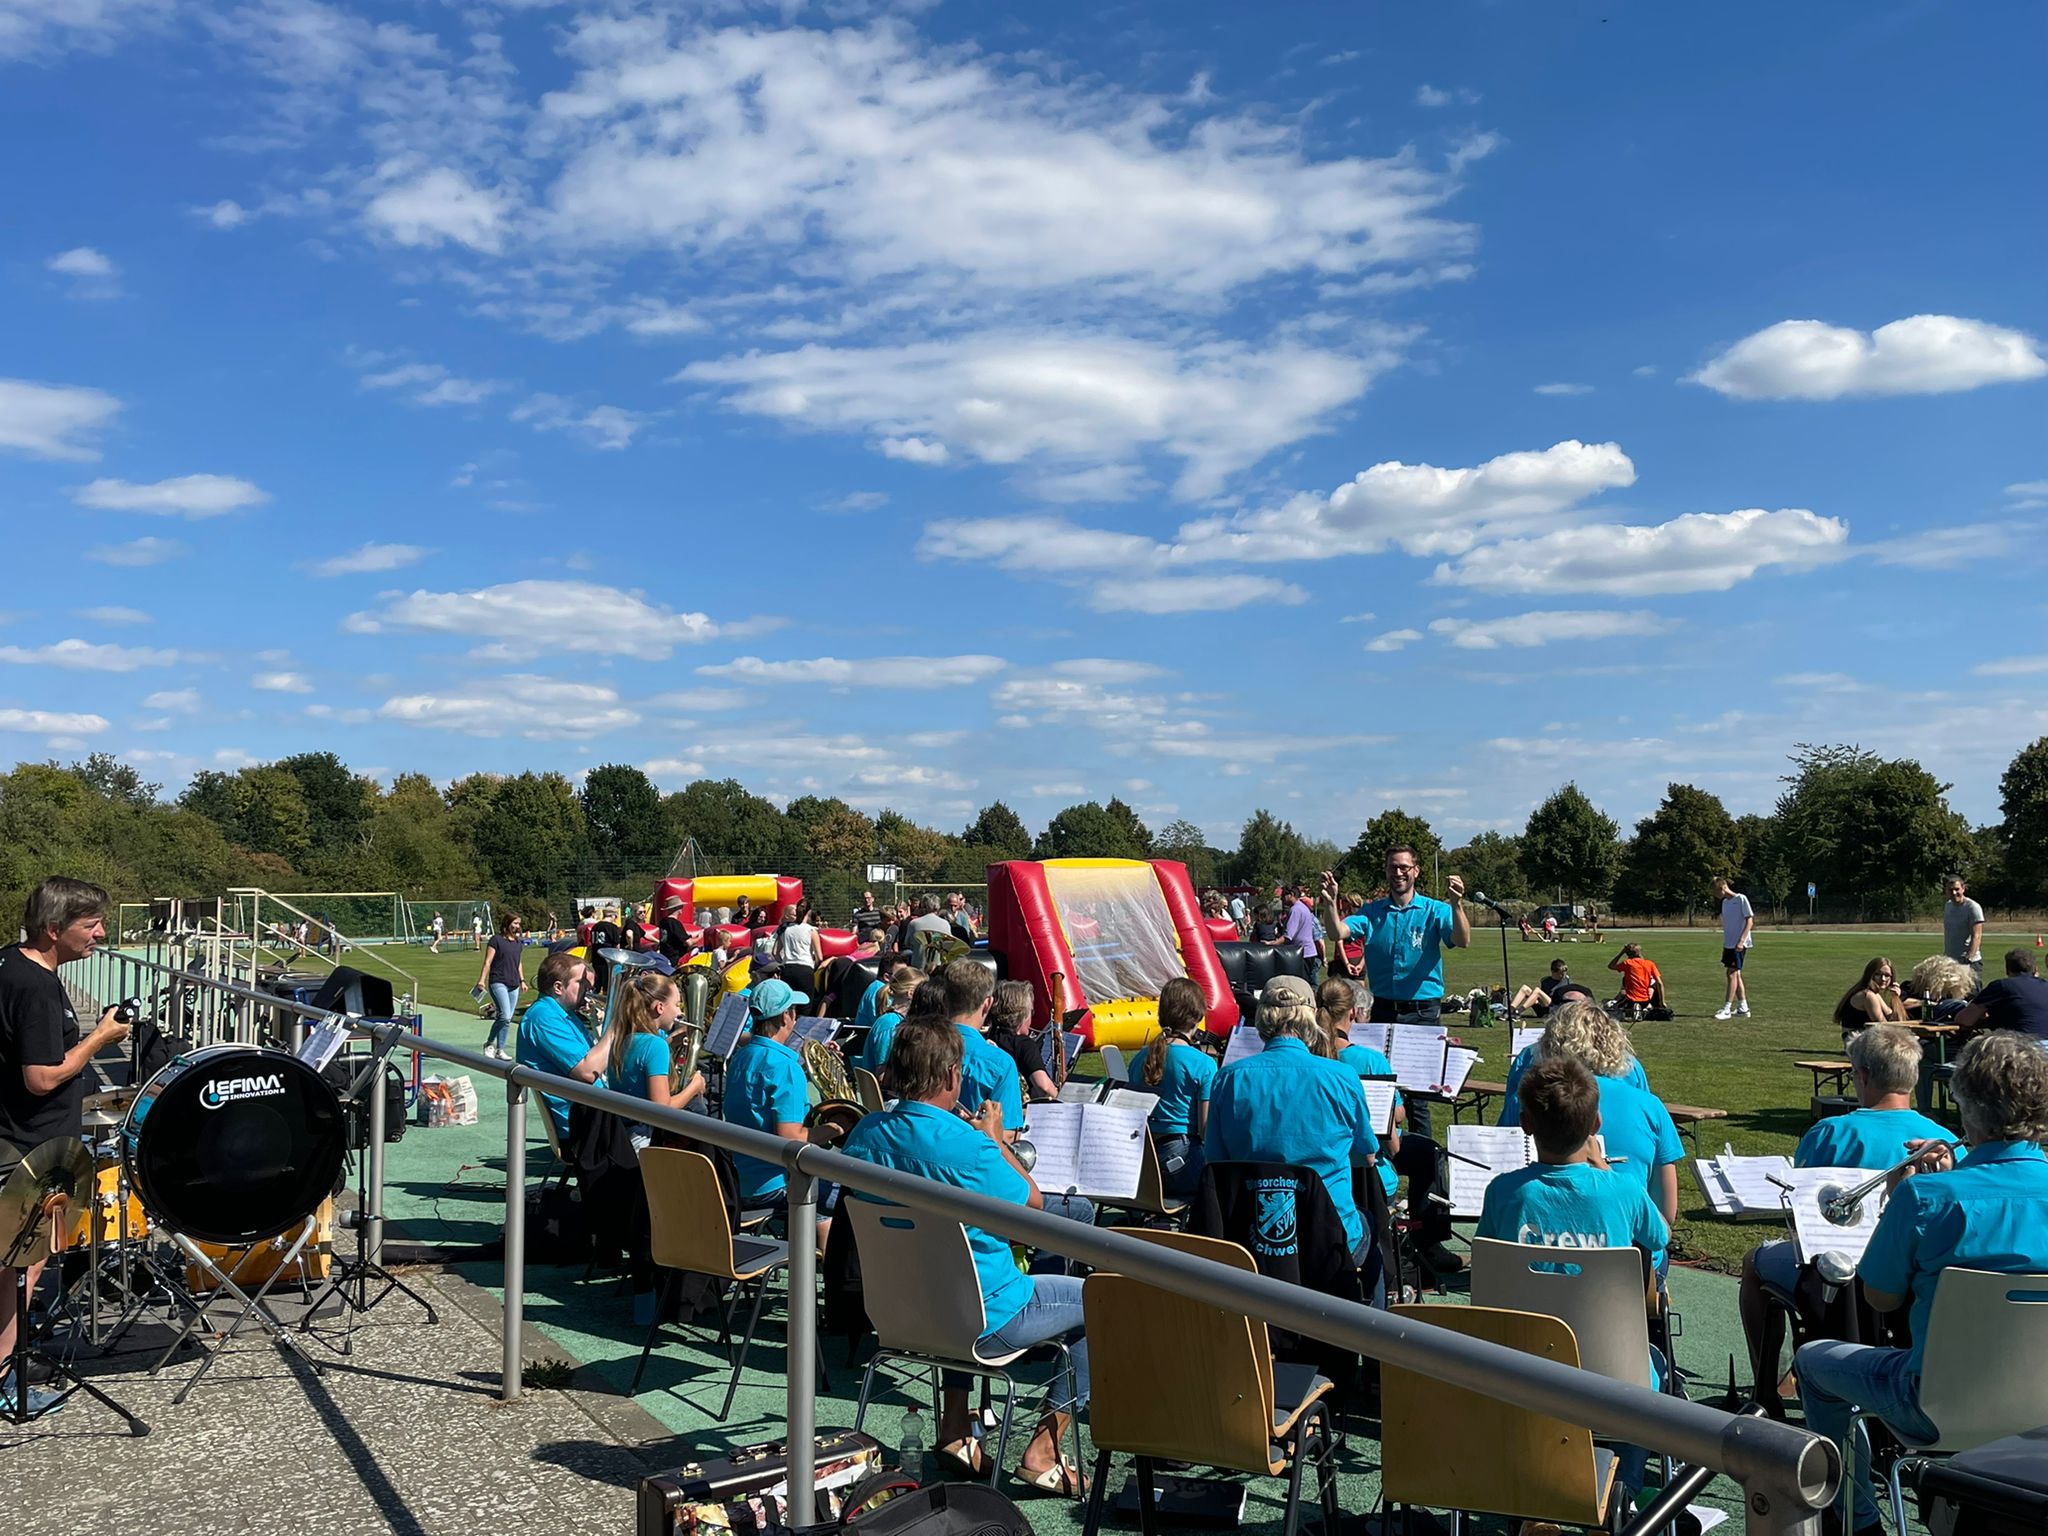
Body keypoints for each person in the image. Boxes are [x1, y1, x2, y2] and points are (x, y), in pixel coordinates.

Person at [1795, 1031, 2048, 1536]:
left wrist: (1901, 1201)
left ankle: (1856, 1518)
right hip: (2040, 1408)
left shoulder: (1926, 1197)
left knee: (1813, 1361)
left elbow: (1880, 1297)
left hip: (1934, 1405)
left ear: (1966, 1104)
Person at [842, 1019, 1089, 1493]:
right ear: (952, 1075)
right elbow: (1033, 1204)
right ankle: (1044, 1452)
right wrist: (994, 1140)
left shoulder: (864, 1135)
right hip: (983, 1317)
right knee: (1102, 1302)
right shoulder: (971, 1148)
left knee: (953, 1281)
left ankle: (955, 1427)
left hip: (904, 1314)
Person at [1477, 1055, 1668, 1492]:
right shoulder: (1623, 1190)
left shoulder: (1504, 1193)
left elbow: (1487, 1267)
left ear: (1525, 1123)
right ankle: (1619, 1492)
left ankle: (1537, 1491)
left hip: (1524, 1372)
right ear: (1596, 1123)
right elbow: (1660, 1234)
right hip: (1613, 1377)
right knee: (1654, 1365)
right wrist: (1605, 1170)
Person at [1738, 1025, 1949, 1416]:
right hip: (1917, 1276)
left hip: (1841, 1273)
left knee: (1754, 1263)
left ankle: (1765, 1390)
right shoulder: (1943, 1140)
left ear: (1862, 1076)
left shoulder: (1831, 1132)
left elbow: (1806, 1213)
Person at [0, 878, 132, 1414]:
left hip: (18, 1134)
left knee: (15, 1261)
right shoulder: (35, 986)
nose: (100, 933)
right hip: (29, 1143)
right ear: (54, 930)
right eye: (91, 925)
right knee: (22, 1263)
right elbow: (41, 1077)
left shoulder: (9, 961)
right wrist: (100, 1038)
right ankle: (6, 1378)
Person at [1206, 974, 1382, 1272]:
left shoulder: (1228, 1078)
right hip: (1329, 1233)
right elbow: (1366, 1155)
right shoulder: (1341, 1076)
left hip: (1249, 1234)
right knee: (1373, 1238)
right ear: (1310, 1018)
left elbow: (1215, 1161)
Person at [1500, 1002, 1678, 1271]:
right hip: (1622, 1277)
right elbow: (1665, 1216)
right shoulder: (1650, 1107)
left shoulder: (1527, 1102)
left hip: (1531, 1271)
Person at [1316, 977, 1461, 1275]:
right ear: (1353, 1013)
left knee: (1424, 1150)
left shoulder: (1310, 1053)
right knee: (1430, 1153)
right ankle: (1428, 1245)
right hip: (1369, 1159)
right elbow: (1395, 1116)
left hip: (1329, 1153)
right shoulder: (1370, 1059)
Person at [1320, 851, 1470, 1138]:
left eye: (1404, 867)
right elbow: (1337, 932)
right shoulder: (1372, 912)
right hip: (1383, 1010)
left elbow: (1462, 940)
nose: (1398, 873)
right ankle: (1384, 1153)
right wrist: (1329, 903)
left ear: (1416, 871)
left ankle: (1422, 1159)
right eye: (1392, 867)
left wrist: (1457, 904)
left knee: (1419, 1096)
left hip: (1423, 1011)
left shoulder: (1434, 910)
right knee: (1380, 1088)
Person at [722, 978, 836, 1240]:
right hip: (776, 1185)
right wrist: (833, 1129)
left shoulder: (740, 1057)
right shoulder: (785, 1067)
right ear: (785, 1016)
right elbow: (790, 1138)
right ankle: (825, 1259)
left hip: (740, 1180)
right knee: (842, 1193)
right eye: (793, 1011)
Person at [1130, 977, 1216, 1199]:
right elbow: (1206, 1130)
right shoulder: (1203, 1064)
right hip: (1182, 1161)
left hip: (1142, 1168)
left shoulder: (1139, 1058)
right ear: (1198, 1016)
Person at [606, 971, 707, 1150]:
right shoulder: (655, 1045)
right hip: (644, 1141)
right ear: (660, 1007)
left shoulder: (624, 1039)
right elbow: (661, 1109)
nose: (680, 1012)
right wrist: (694, 1087)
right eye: (677, 1005)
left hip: (621, 1136)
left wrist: (669, 1043)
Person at [515, 951, 607, 1143]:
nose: (589, 991)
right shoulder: (544, 1017)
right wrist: (616, 1028)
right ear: (558, 987)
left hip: (596, 1112)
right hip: (585, 1125)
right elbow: (587, 1073)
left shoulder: (565, 1014)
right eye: (582, 984)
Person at [986, 979, 1059, 1102]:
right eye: (1031, 1012)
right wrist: (1059, 1097)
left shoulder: (988, 1037)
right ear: (1022, 1015)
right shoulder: (1024, 1044)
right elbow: (1044, 1087)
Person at [1955, 948, 2048, 1040]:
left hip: (2018, 1045)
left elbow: (1964, 1020)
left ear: (2007, 970)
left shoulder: (2001, 986)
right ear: (2035, 970)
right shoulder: (2045, 985)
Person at [475, 910, 527, 1059]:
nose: (517, 926)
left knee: (507, 1019)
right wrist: (481, 980)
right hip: (498, 981)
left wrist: (522, 980)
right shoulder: (496, 940)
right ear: (507, 923)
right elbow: (488, 962)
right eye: (515, 923)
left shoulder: (518, 943)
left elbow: (518, 963)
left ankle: (500, 1049)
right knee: (504, 1016)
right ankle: (489, 1043)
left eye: (519, 923)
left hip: (513, 983)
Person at [856, 965, 924, 1078]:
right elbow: (882, 1075)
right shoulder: (890, 1024)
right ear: (911, 993)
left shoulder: (896, 1021)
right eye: (923, 992)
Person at [1832, 957, 1910, 1039]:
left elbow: (1894, 1019)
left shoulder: (1874, 994)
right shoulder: (1868, 995)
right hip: (1857, 1041)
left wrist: (1896, 998)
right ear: (1870, 975)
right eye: (1878, 974)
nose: (1883, 979)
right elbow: (1883, 1026)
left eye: (1887, 975)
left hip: (1865, 1038)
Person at [1712, 875, 1754, 1019]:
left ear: (1722, 888)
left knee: (1731, 973)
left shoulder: (1741, 899)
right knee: (1736, 974)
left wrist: (1741, 941)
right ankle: (1743, 1008)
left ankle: (1727, 1009)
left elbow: (1749, 921)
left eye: (1715, 891)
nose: (1715, 895)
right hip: (1729, 944)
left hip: (1739, 944)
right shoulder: (1725, 903)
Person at [1606, 943, 1667, 1019]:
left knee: (1609, 1006)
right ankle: (1644, 1009)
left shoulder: (1627, 963)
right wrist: (1662, 1001)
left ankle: (1634, 1010)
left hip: (1631, 999)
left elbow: (1611, 966)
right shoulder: (1650, 964)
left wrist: (1621, 953)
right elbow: (1659, 983)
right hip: (1645, 1000)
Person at [774, 898, 822, 994]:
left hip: (788, 969)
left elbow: (775, 952)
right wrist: (814, 967)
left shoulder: (784, 928)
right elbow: (819, 957)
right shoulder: (811, 930)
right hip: (805, 969)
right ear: (808, 912)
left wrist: (782, 963)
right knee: (805, 1001)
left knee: (788, 1000)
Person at [1943, 876, 1985, 985]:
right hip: (1950, 962)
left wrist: (1969, 959)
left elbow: (1977, 936)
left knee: (1972, 993)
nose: (1954, 893)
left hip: (1969, 963)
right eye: (1950, 890)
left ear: (1963, 888)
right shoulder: (1948, 906)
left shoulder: (1973, 907)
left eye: (1957, 889)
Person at [1281, 882, 1323, 984]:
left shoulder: (1295, 910)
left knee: (1300, 983)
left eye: (1283, 895)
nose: (1281, 898)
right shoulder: (1302, 907)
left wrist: (1273, 943)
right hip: (1308, 952)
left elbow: (1288, 936)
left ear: (1291, 894)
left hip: (1302, 953)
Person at [656, 895, 692, 965]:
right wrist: (700, 936)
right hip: (676, 959)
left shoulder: (663, 922)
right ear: (677, 908)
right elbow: (689, 942)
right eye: (681, 907)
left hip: (665, 956)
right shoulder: (674, 923)